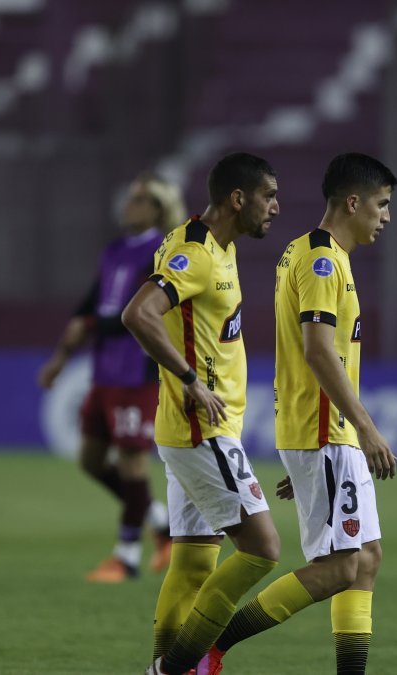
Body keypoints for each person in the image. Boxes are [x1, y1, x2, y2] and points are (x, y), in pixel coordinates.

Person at [202, 153, 397, 675]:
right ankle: (212, 646)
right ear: (352, 202)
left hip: (323, 432)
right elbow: (316, 351)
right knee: (341, 568)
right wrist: (365, 428)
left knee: (366, 559)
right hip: (325, 428)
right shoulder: (321, 261)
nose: (385, 216)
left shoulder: (314, 252)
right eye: (381, 204)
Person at [122, 152, 281, 675]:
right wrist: (190, 379)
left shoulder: (213, 245)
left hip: (189, 431)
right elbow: (139, 313)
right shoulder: (196, 253)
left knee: (192, 564)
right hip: (202, 431)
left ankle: (165, 664)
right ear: (238, 198)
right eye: (268, 196)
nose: (275, 207)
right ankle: (176, 668)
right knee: (262, 550)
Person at [37, 174, 186, 583]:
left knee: (132, 461)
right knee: (90, 460)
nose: (128, 204)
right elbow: (91, 304)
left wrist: (93, 325)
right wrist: (60, 357)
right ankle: (161, 523)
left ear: (157, 209)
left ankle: (126, 557)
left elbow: (142, 313)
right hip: (104, 371)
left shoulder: (163, 253)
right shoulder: (115, 250)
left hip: (136, 371)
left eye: (139, 199)